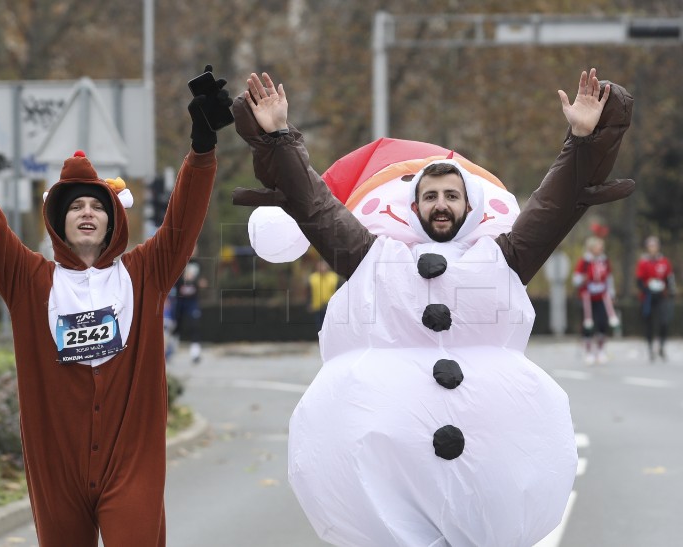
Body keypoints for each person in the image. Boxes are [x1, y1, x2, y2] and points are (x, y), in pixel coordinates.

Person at [232, 69, 633, 547]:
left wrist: (583, 140)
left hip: (486, 498)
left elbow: (555, 205)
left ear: (469, 206)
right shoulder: (372, 259)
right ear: (414, 206)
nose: (440, 206)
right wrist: (279, 138)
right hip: (387, 495)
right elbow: (315, 206)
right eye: (430, 197)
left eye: (451, 197)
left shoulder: (502, 259)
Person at [0, 65, 231, 547]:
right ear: (59, 221)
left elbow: (182, 219)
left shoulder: (145, 273)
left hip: (131, 464)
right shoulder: (28, 280)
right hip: (56, 467)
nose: (87, 213)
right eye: (76, 206)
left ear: (112, 220)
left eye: (98, 206)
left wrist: (202, 145)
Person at [572, 236, 620, 364]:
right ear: (591, 247)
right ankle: (588, 351)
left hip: (602, 298)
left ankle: (600, 350)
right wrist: (583, 279)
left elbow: (609, 278)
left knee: (602, 323)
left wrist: (612, 293)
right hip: (587, 298)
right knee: (588, 324)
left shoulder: (604, 260)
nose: (601, 248)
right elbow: (575, 279)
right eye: (599, 246)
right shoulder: (585, 261)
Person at [636, 235, 676, 361]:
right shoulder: (643, 262)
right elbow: (639, 280)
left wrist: (669, 290)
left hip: (661, 296)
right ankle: (650, 347)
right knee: (649, 322)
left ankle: (661, 346)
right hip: (648, 296)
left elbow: (670, 278)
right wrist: (647, 288)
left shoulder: (664, 261)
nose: (653, 248)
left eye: (655, 246)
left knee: (664, 321)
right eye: (650, 246)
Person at [174, 244, 206, 363]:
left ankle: (195, 352)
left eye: (195, 249)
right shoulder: (180, 262)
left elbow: (201, 279)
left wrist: (200, 283)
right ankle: (170, 349)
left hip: (192, 300)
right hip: (180, 299)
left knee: (195, 324)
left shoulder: (198, 264)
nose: (194, 251)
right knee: (176, 325)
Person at [306, 258, 340, 330]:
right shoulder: (312, 278)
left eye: (323, 266)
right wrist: (309, 303)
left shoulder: (334, 277)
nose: (322, 268)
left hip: (330, 306)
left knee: (330, 325)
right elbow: (309, 292)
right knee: (319, 325)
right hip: (317, 305)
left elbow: (338, 291)